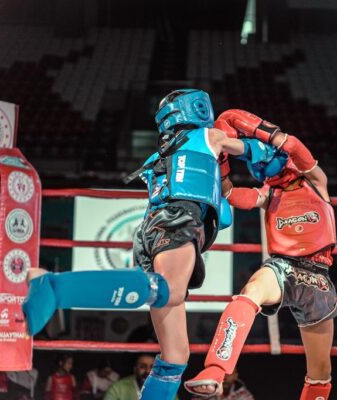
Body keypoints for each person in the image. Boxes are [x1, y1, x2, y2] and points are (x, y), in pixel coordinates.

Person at [24, 89, 245, 400]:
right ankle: (55, 287)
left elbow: (222, 217)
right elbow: (259, 152)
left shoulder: (164, 154)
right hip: (177, 225)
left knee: (176, 354)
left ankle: (54, 288)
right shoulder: (209, 138)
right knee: (172, 290)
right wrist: (278, 145)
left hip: (155, 232)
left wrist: (219, 175)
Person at [184, 109, 337, 400]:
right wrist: (221, 159)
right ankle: (215, 371)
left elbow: (293, 145)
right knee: (251, 291)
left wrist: (250, 133)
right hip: (282, 268)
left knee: (319, 371)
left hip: (317, 276)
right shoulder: (269, 194)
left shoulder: (316, 181)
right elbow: (230, 194)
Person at [103, 354, 173, 400]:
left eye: (152, 367)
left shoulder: (166, 389)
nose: (148, 371)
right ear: (135, 369)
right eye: (143, 366)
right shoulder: (118, 388)